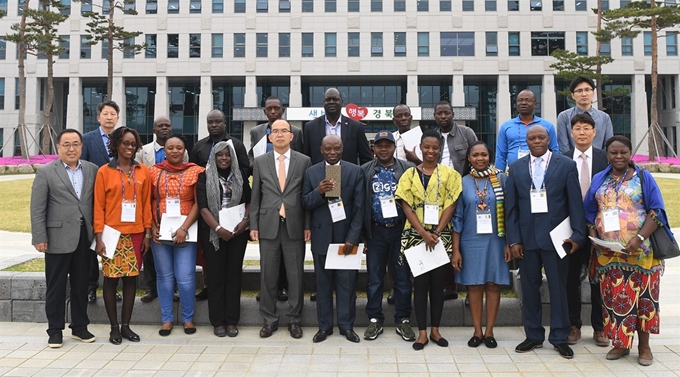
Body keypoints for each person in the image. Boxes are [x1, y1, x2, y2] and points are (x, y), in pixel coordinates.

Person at [584, 135, 667, 366]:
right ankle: (620, 344)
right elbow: (590, 213)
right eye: (613, 152)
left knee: (644, 300)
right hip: (609, 255)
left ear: (630, 154)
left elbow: (657, 211)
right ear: (607, 155)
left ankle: (644, 346)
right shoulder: (600, 179)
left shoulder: (643, 177)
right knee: (615, 299)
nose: (618, 156)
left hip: (641, 253)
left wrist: (639, 238)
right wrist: (593, 237)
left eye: (623, 152)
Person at [505, 126, 586, 359]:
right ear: (527, 141)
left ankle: (560, 337)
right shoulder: (517, 167)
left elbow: (575, 204)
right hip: (527, 240)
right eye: (532, 138)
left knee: (558, 289)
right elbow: (511, 208)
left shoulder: (566, 165)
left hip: (557, 239)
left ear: (549, 139)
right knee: (529, 289)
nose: (537, 141)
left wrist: (578, 236)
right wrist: (514, 240)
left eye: (541, 137)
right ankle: (533, 335)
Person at [30, 129, 99, 348]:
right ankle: (55, 330)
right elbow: (37, 208)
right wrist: (39, 236)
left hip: (83, 237)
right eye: (66, 144)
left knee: (81, 284)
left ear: (81, 146)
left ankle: (79, 327)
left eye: (76, 144)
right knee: (56, 286)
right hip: (56, 237)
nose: (72, 148)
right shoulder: (46, 172)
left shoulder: (92, 169)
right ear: (58, 147)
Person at [395, 129, 462, 351]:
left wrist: (437, 231)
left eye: (435, 147)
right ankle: (422, 332)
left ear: (439, 149)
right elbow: (405, 205)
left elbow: (451, 203)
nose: (430, 151)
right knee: (420, 285)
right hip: (416, 238)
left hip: (440, 238)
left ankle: (435, 330)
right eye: (427, 147)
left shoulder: (450, 175)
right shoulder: (409, 175)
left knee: (438, 285)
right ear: (420, 148)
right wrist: (424, 233)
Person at [251, 119, 311, 340]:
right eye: (274, 131)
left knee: (296, 276)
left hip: (295, 226)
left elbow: (305, 196)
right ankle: (269, 320)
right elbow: (256, 196)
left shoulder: (304, 161)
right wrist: (253, 225)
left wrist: (307, 225)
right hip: (268, 226)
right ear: (269, 137)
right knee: (268, 276)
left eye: (283, 131)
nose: (279, 135)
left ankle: (295, 320)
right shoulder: (260, 162)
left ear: (291, 136)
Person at [302, 135, 364, 343]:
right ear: (321, 149)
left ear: (342, 148)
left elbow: (359, 208)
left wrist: (353, 238)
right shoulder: (311, 172)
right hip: (321, 237)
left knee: (347, 284)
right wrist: (318, 192)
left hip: (346, 238)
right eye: (328, 149)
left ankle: (347, 326)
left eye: (336, 148)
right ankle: (324, 327)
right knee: (323, 284)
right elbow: (304, 202)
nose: (332, 153)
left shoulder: (355, 171)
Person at [93, 127, 152, 345]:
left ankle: (126, 326)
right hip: (111, 234)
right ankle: (114, 328)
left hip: (136, 233)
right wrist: (98, 237)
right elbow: (98, 207)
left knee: (131, 280)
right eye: (125, 143)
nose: (129, 147)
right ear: (116, 144)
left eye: (133, 144)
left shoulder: (142, 171)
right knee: (110, 280)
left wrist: (147, 233)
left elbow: (146, 204)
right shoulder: (104, 172)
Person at [451, 141, 511, 349]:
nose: (480, 158)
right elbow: (457, 218)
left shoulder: (501, 179)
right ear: (469, 158)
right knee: (474, 285)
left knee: (493, 284)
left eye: (484, 154)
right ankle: (477, 331)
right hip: (470, 241)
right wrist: (456, 250)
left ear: (490, 156)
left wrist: (509, 244)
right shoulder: (462, 182)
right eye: (475, 155)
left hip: (496, 240)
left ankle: (490, 332)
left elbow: (510, 214)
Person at [190, 109, 250, 301]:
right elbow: (194, 172)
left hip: (234, 211)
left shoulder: (237, 145)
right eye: (210, 122)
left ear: (225, 123)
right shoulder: (199, 146)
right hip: (209, 215)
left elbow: (244, 171)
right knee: (211, 262)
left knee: (232, 269)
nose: (214, 125)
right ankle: (208, 287)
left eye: (218, 122)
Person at [361, 131, 415, 341]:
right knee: (374, 278)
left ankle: (403, 319)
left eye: (388, 145)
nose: (384, 149)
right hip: (375, 232)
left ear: (394, 148)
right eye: (379, 145)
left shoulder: (407, 169)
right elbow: (359, 204)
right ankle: (374, 319)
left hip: (400, 231)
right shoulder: (365, 170)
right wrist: (363, 235)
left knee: (402, 279)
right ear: (373, 149)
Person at [248, 96, 303, 303]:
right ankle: (268, 311)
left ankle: (291, 308)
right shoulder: (256, 132)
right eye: (269, 109)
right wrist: (259, 168)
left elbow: (302, 164)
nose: (273, 112)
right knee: (268, 268)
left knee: (293, 267)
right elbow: (251, 157)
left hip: (292, 211)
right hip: (268, 205)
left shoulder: (297, 135)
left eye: (276, 108)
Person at [148, 134, 204, 336]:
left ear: (185, 150)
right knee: (164, 277)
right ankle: (166, 319)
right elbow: (149, 200)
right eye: (170, 147)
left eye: (178, 148)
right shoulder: (153, 172)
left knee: (186, 277)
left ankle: (188, 319)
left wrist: (184, 228)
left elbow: (199, 203)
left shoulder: (196, 172)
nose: (174, 151)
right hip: (159, 233)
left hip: (186, 233)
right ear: (164, 150)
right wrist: (153, 226)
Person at [561, 113, 609, 347]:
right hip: (570, 229)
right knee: (571, 279)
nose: (582, 132)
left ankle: (599, 328)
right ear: (571, 133)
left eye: (586, 128)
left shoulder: (604, 159)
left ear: (594, 132)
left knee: (598, 278)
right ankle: (573, 325)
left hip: (599, 229)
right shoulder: (561, 159)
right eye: (577, 128)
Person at [197, 141, 251, 338]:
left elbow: (249, 201)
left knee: (233, 276)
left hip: (238, 233)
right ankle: (218, 321)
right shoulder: (204, 176)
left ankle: (232, 321)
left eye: (227, 155)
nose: (224, 158)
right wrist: (219, 229)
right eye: (219, 155)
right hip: (214, 235)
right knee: (216, 277)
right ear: (213, 157)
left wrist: (245, 222)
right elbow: (203, 207)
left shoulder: (240, 176)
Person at [136, 116, 188, 303]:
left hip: (175, 209)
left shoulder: (182, 150)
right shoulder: (143, 151)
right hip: (152, 206)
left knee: (173, 250)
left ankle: (172, 288)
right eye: (160, 126)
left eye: (167, 125)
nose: (164, 128)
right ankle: (152, 288)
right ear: (154, 129)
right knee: (151, 251)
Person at [433, 100, 477, 301]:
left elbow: (475, 158)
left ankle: (471, 288)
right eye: (439, 113)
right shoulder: (432, 136)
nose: (443, 116)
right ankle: (449, 285)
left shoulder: (466, 133)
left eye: (446, 113)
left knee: (466, 239)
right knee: (445, 239)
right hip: (439, 196)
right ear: (434, 116)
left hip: (464, 190)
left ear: (452, 114)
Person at [81, 100, 122, 304]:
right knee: (92, 246)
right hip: (92, 201)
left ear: (117, 117)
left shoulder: (122, 140)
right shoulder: (87, 139)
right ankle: (91, 287)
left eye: (112, 114)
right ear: (98, 117)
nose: (109, 117)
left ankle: (111, 285)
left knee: (112, 245)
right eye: (105, 114)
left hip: (116, 203)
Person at [302, 88, 372, 166]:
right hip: (319, 176)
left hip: (348, 176)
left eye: (335, 99)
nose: (331, 102)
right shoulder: (310, 127)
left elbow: (366, 159)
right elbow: (306, 158)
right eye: (328, 100)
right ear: (323, 103)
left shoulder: (355, 127)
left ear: (341, 102)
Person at [495, 90, 560, 171]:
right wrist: (499, 176)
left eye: (528, 100)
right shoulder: (506, 126)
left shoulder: (547, 126)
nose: (523, 103)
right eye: (520, 100)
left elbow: (555, 151)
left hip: (541, 170)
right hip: (514, 172)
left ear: (535, 104)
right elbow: (500, 155)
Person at [557, 76, 614, 153]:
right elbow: (564, 146)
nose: (584, 94)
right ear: (573, 95)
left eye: (587, 90)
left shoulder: (604, 117)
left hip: (599, 162)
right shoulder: (564, 117)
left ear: (593, 93)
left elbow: (608, 145)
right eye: (579, 91)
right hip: (572, 162)